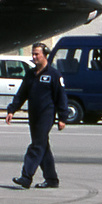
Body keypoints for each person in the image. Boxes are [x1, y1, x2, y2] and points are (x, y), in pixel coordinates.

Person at [6, 43, 67, 188]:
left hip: (46, 116)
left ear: (44, 55)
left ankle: (26, 177)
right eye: (32, 54)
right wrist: (12, 110)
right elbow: (21, 94)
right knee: (43, 147)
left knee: (36, 146)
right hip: (33, 116)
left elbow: (61, 97)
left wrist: (62, 117)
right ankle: (52, 179)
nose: (34, 57)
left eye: (36, 54)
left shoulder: (54, 74)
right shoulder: (30, 74)